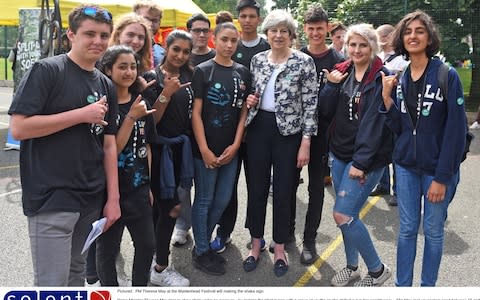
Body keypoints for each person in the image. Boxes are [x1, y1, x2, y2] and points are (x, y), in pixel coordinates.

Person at [8, 4, 120, 286]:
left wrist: (113, 199)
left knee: (75, 275)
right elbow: (19, 128)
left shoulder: (106, 84)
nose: (98, 41)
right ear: (71, 35)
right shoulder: (47, 70)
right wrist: (81, 115)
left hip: (91, 198)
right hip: (52, 196)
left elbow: (108, 146)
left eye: (104, 35)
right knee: (51, 283)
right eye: (90, 34)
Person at [381, 10, 466, 287]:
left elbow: (456, 132)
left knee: (432, 230)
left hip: (436, 170)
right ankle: (402, 287)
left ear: (429, 37)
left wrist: (442, 177)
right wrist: (386, 98)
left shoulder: (446, 75)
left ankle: (427, 287)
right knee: (406, 229)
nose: (413, 36)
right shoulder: (402, 76)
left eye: (419, 31)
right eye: (408, 31)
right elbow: (400, 127)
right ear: (401, 38)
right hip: (405, 167)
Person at [243, 9, 318, 277]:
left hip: (289, 133)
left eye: (283, 31)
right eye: (273, 30)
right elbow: (253, 93)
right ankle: (255, 244)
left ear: (291, 35)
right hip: (259, 129)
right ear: (267, 34)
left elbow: (311, 105)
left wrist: (306, 142)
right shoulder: (258, 60)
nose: (277, 35)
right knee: (257, 188)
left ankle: (280, 247)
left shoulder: (304, 62)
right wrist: (250, 101)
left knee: (285, 191)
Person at [319, 23, 392, 287]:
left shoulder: (381, 77)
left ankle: (377, 270)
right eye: (353, 44)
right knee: (349, 215)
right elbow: (325, 111)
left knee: (343, 214)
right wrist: (330, 86)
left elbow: (376, 125)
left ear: (372, 46)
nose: (357, 49)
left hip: (365, 160)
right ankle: (351, 267)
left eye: (363, 44)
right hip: (338, 154)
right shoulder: (342, 71)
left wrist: (360, 163)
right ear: (346, 46)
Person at [210, 0, 270, 254]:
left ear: (258, 19)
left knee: (258, 186)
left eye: (251, 16)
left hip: (258, 130)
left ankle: (256, 235)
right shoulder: (230, 45)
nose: (247, 20)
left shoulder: (267, 45)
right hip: (230, 128)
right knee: (229, 187)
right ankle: (224, 233)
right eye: (243, 15)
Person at [190, 22, 251, 276]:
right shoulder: (203, 71)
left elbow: (243, 112)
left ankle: (201, 244)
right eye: (224, 39)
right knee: (203, 199)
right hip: (205, 150)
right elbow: (196, 113)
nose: (228, 45)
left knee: (223, 199)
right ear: (214, 39)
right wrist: (204, 149)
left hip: (230, 150)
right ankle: (202, 250)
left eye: (233, 41)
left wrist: (236, 144)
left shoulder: (243, 72)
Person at [95, 45, 156, 286]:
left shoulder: (141, 101)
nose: (129, 71)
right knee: (107, 250)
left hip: (139, 189)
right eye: (122, 66)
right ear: (108, 70)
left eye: (133, 66)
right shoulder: (103, 107)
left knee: (147, 246)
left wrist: (148, 184)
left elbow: (147, 146)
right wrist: (130, 118)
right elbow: (110, 151)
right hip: (109, 192)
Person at [292, 3, 344, 265]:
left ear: (327, 29)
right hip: (292, 134)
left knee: (316, 189)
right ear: (304, 29)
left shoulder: (338, 61)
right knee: (287, 185)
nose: (315, 33)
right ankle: (285, 234)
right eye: (310, 28)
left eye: (319, 29)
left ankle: (309, 240)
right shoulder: (295, 57)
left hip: (322, 136)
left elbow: (339, 105)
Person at [144, 30, 194, 287]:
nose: (180, 55)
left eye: (186, 51)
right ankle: (160, 267)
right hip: (158, 153)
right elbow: (151, 123)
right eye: (176, 49)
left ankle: (154, 256)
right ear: (166, 46)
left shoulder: (190, 75)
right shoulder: (151, 78)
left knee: (161, 210)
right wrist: (166, 93)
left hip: (179, 152)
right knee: (171, 208)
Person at [170, 13, 216, 247]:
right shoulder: (176, 67)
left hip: (210, 134)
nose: (200, 34)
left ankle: (205, 227)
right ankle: (183, 225)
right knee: (183, 186)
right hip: (182, 137)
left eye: (204, 30)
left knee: (207, 188)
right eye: (196, 30)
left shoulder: (214, 61)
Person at [370, 24, 410, 206]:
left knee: (395, 151)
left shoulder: (402, 60)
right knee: (381, 148)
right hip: (380, 111)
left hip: (394, 109)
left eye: (377, 37)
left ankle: (398, 191)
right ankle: (383, 183)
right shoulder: (378, 58)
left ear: (385, 38)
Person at [133, 0, 166, 67]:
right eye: (146, 19)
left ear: (159, 23)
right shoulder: (122, 49)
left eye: (154, 20)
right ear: (134, 19)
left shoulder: (163, 54)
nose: (150, 24)